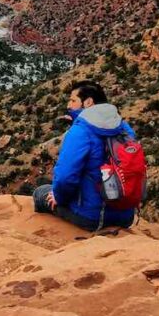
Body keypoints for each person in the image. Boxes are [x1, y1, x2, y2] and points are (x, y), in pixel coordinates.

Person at [33, 80, 137, 230]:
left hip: (92, 218)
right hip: (126, 216)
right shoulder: (123, 127)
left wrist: (58, 197)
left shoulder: (81, 131)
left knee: (41, 192)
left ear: (88, 102)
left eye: (73, 100)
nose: (69, 105)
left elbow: (64, 179)